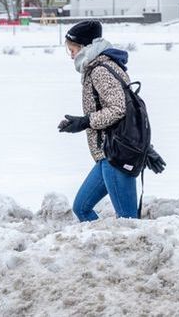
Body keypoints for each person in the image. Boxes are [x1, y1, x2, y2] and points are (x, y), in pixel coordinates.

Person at [58, 20, 139, 221]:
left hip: (116, 154)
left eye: (73, 49)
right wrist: (78, 123)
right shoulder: (98, 66)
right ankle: (101, 249)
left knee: (129, 223)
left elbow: (119, 108)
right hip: (107, 153)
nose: (71, 55)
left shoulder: (101, 70)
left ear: (86, 47)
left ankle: (133, 252)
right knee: (81, 208)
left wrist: (85, 122)